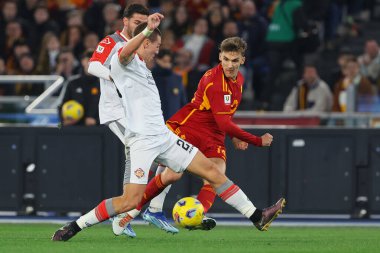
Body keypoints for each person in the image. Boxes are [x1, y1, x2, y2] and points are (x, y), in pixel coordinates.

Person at [52, 13, 285, 242]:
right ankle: (75, 226)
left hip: (165, 138)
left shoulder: (144, 66)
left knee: (214, 173)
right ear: (144, 43)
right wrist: (147, 29)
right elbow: (124, 53)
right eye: (156, 45)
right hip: (142, 142)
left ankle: (256, 216)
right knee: (129, 200)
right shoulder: (124, 62)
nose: (158, 50)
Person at [112, 34, 284, 233]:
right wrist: (256, 140)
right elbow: (223, 120)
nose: (230, 65)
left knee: (217, 174)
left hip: (214, 134)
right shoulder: (215, 81)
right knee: (172, 175)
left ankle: (197, 214)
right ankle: (128, 214)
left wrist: (234, 135)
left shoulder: (240, 78)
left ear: (242, 60)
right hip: (190, 127)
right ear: (220, 57)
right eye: (226, 59)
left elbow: (225, 114)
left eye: (235, 60)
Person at [87, 3, 149, 237]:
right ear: (125, 21)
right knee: (140, 152)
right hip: (116, 111)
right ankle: (124, 212)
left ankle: (125, 210)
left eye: (143, 23)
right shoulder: (111, 41)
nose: (140, 26)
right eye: (136, 22)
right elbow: (92, 65)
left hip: (135, 111)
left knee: (139, 155)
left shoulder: (142, 42)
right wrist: (114, 75)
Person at [59, 50, 100, 126]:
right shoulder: (72, 83)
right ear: (83, 62)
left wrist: (96, 121)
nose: (91, 63)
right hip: (75, 129)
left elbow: (111, 109)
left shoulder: (104, 85)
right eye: (89, 60)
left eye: (95, 60)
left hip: (98, 130)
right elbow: (62, 106)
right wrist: (64, 121)